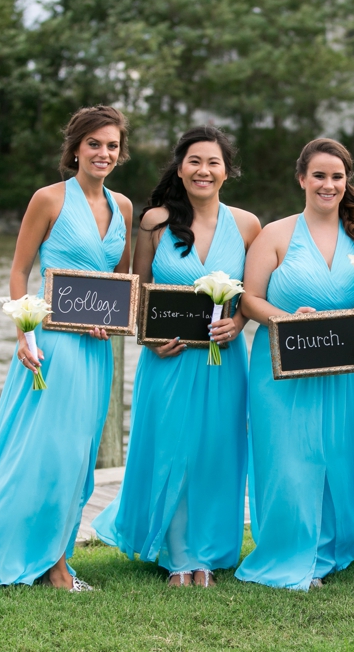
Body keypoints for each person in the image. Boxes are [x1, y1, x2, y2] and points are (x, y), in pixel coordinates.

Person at [0, 106, 133, 591]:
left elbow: (119, 283)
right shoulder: (48, 199)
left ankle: (54, 555)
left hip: (96, 352)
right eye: (94, 144)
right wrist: (24, 333)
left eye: (112, 145)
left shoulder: (124, 207)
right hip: (51, 347)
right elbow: (19, 273)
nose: (103, 153)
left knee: (79, 456)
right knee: (44, 452)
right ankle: (44, 564)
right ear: (76, 148)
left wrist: (109, 319)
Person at [91, 127, 260, 587]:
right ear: (180, 167)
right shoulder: (155, 223)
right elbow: (136, 291)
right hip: (167, 359)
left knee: (216, 453)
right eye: (194, 161)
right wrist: (148, 339)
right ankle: (179, 555)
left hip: (224, 362)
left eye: (213, 162)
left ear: (227, 171)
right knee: (173, 450)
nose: (204, 170)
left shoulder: (247, 225)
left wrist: (238, 323)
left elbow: (257, 292)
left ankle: (208, 551)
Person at [235, 138, 354, 590]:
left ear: (347, 182)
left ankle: (331, 549)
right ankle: (289, 551)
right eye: (319, 176)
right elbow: (249, 297)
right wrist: (285, 319)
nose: (328, 184)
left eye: (337, 177)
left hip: (348, 371)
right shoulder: (276, 234)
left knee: (342, 458)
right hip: (283, 371)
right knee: (289, 461)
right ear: (302, 178)